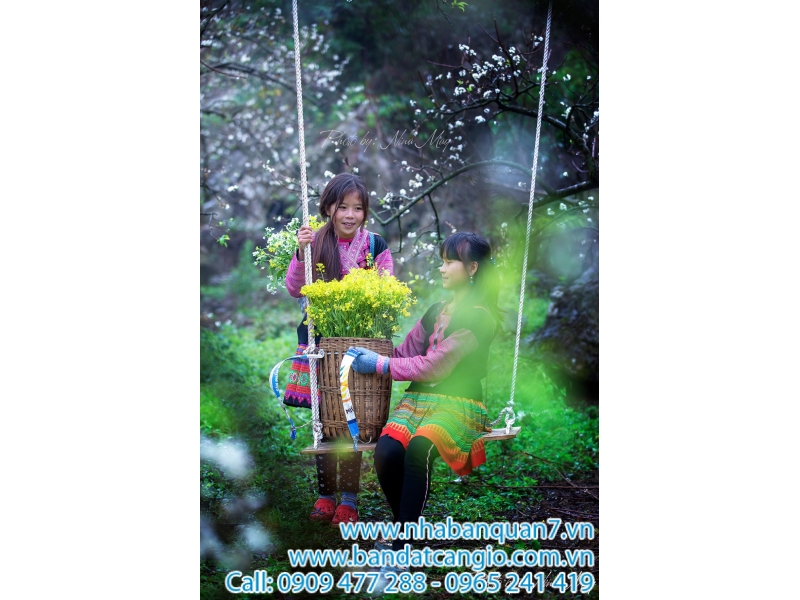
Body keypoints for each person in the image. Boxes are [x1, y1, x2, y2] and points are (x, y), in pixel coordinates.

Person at [349, 232, 504, 586]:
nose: (442, 268)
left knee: (419, 447)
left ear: (472, 268)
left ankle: (401, 551)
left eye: (450, 262)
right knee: (387, 452)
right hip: (417, 401)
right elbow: (404, 354)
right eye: (442, 261)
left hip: (460, 403)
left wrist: (379, 365)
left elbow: (434, 366)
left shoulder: (481, 319)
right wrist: (366, 341)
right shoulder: (436, 310)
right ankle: (405, 533)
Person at [283, 172, 394, 526]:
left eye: (357, 208)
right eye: (342, 207)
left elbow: (386, 289)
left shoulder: (375, 245)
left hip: (357, 340)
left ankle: (348, 500)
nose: (350, 215)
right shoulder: (315, 240)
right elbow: (294, 288)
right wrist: (302, 252)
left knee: (350, 418)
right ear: (328, 207)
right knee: (325, 418)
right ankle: (325, 495)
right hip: (320, 340)